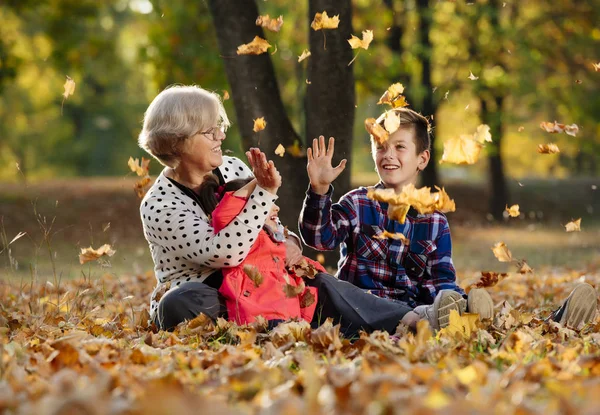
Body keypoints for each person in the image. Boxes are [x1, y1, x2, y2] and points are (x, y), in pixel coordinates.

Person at [137, 85, 463, 337]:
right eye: (210, 130)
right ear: (179, 140)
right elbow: (223, 252)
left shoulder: (231, 167)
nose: (221, 134)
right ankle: (268, 334)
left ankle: (415, 320)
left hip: (263, 279)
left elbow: (269, 223)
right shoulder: (159, 204)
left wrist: (288, 240)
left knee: (319, 283)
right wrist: (263, 192)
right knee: (181, 303)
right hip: (212, 291)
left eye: (220, 126)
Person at [298, 107, 598, 331]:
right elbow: (318, 237)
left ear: (422, 159)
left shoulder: (434, 221)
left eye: (399, 146)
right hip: (364, 314)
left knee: (466, 310)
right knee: (326, 283)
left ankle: (555, 323)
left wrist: (463, 306)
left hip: (419, 316)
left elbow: (443, 283)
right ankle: (433, 322)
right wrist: (320, 189)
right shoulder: (356, 203)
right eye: (381, 147)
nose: (388, 154)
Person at [197, 174, 321, 325]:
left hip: (291, 321)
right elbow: (225, 213)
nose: (277, 208)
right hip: (257, 320)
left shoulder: (275, 245)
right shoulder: (247, 243)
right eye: (268, 202)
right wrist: (259, 182)